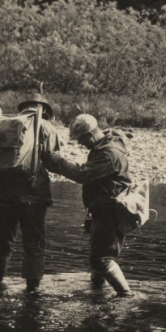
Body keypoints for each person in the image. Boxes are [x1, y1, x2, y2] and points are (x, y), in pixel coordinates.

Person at [45, 114, 134, 296]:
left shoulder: (109, 154)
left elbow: (82, 175)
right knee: (97, 256)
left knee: (101, 258)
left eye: (81, 139)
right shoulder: (105, 146)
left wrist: (57, 162)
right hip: (104, 210)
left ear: (91, 134)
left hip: (110, 211)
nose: (79, 143)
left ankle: (126, 295)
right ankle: (97, 293)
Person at [0, 95, 61, 292]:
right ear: (44, 110)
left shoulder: (6, 124)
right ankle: (32, 291)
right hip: (32, 194)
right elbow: (52, 159)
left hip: (2, 195)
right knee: (34, 244)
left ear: (23, 109)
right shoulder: (46, 126)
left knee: (3, 240)